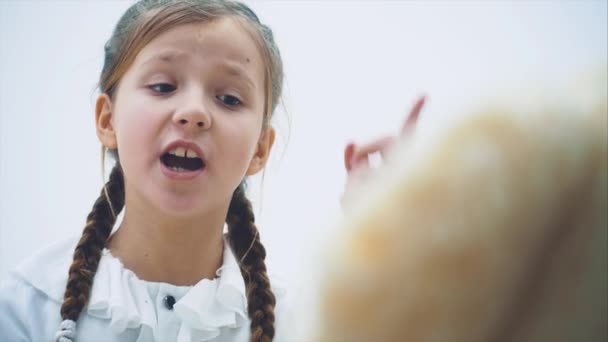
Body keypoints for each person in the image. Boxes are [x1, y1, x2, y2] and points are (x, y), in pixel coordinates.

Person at [0, 0, 424, 341]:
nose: (193, 113)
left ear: (260, 147)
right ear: (107, 121)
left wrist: (384, 242)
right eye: (163, 86)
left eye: (229, 98)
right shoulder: (26, 307)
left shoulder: (302, 324)